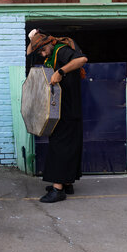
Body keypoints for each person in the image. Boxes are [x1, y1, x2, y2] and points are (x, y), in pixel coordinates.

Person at [26, 30, 88, 204]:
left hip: (67, 108)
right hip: (63, 107)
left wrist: (60, 71)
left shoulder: (61, 50)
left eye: (41, 50)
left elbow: (82, 59)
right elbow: (29, 53)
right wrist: (32, 39)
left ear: (49, 44)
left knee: (60, 146)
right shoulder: (51, 54)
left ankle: (58, 189)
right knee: (68, 145)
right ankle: (67, 183)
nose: (40, 53)